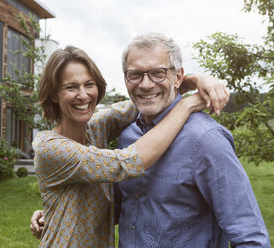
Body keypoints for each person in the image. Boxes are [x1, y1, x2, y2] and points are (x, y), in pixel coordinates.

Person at [31, 45, 229, 247]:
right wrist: (187, 105)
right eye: (71, 87)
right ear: (54, 94)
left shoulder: (97, 128)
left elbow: (147, 97)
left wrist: (195, 80)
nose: (83, 95)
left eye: (89, 84)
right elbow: (127, 163)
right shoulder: (49, 147)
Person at [112, 33, 270, 247]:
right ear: (125, 79)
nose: (146, 84)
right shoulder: (126, 137)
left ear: (178, 77)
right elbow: (114, 212)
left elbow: (250, 237)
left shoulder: (206, 140)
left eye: (158, 73)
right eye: (135, 74)